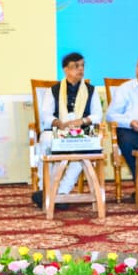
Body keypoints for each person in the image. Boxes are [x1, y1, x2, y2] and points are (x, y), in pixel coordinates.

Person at [32, 52, 104, 208]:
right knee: (45, 140)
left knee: (85, 149)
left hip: (81, 131)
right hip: (58, 129)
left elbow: (97, 115)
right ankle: (45, 188)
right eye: (76, 66)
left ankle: (62, 192)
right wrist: (59, 123)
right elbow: (46, 115)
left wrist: (81, 121)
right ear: (65, 69)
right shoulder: (53, 90)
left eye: (82, 65)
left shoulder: (91, 90)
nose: (80, 69)